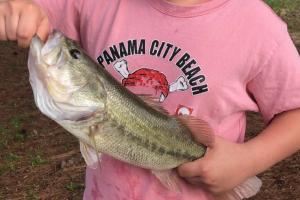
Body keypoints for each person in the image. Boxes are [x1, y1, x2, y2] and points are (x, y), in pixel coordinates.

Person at [0, 0, 299, 199]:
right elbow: (26, 9)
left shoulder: (259, 29)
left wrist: (249, 159)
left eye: (71, 56)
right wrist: (16, 9)